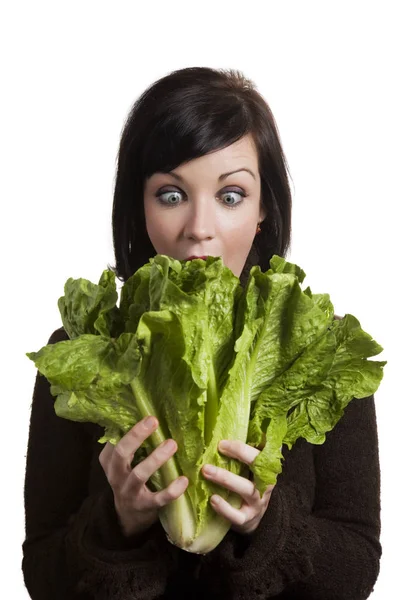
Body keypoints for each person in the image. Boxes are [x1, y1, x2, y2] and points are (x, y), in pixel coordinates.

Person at [22, 66, 381, 600]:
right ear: (139, 208)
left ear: (264, 210)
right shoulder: (83, 347)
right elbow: (40, 576)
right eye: (171, 194)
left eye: (231, 195)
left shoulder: (317, 345)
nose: (199, 227)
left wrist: (267, 522)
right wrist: (117, 523)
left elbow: (358, 568)